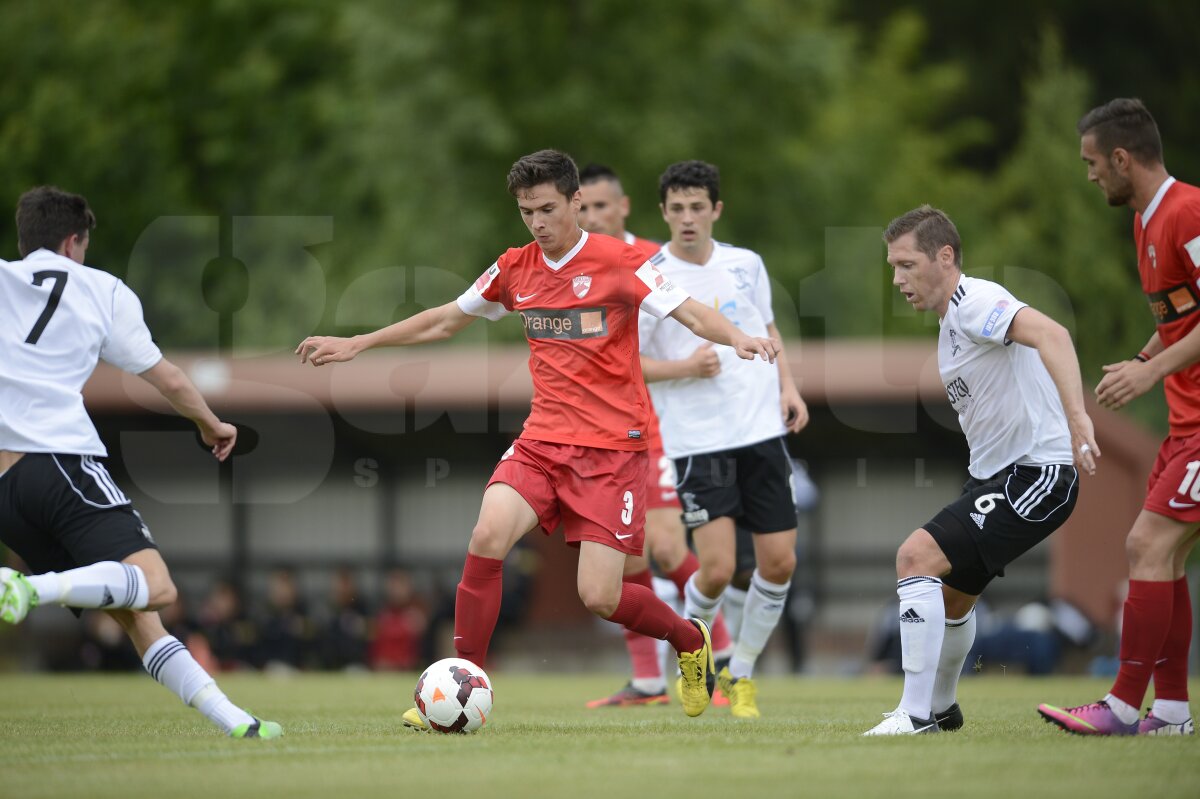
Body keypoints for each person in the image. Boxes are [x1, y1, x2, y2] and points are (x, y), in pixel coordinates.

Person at [296, 150, 781, 727]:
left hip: (612, 452)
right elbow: (445, 319)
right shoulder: (514, 268)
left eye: (547, 208)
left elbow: (692, 313)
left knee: (600, 597)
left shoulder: (623, 262)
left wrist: (738, 337)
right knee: (488, 532)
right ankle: (464, 680)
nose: (537, 222)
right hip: (543, 442)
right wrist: (359, 342)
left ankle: (688, 640)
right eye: (526, 211)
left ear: (577, 202)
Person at [0, 186, 281, 739]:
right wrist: (211, 423)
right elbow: (167, 378)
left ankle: (237, 723)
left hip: (4, 485)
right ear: (73, 241)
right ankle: (30, 588)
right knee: (157, 585)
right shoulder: (103, 289)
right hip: (58, 459)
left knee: (135, 612)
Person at [863, 205, 1098, 735]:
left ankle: (914, 714)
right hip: (996, 478)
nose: (897, 279)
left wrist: (1078, 418)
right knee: (951, 597)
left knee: (914, 556)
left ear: (945, 257)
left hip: (1037, 474)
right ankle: (942, 708)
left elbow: (1054, 335)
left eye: (906, 264)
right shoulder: (950, 324)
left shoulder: (975, 302)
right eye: (892, 267)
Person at [1038, 98, 1199, 737]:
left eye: (1092, 162)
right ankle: (1171, 712)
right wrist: (1141, 360)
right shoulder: (1144, 223)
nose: (1089, 175)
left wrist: (1151, 373)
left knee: (1146, 545)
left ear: (1123, 158)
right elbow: (1181, 317)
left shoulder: (1187, 211)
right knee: (1168, 556)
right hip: (1185, 424)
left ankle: (1124, 706)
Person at [639, 160, 809, 718]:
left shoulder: (746, 264)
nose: (687, 218)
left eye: (697, 207)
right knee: (714, 569)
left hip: (760, 430)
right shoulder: (650, 277)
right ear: (663, 212)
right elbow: (628, 364)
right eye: (677, 208)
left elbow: (768, 327)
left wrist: (788, 386)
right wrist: (685, 367)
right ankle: (694, 654)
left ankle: (743, 675)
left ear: (716, 210)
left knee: (778, 563)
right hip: (697, 440)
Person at [577, 163, 735, 709]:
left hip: (663, 423)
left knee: (668, 545)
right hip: (608, 429)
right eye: (584, 207)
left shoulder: (651, 260)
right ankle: (648, 682)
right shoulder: (574, 271)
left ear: (622, 207)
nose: (592, 215)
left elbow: (682, 336)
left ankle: (723, 665)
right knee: (627, 557)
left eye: (601, 206)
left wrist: (699, 366)